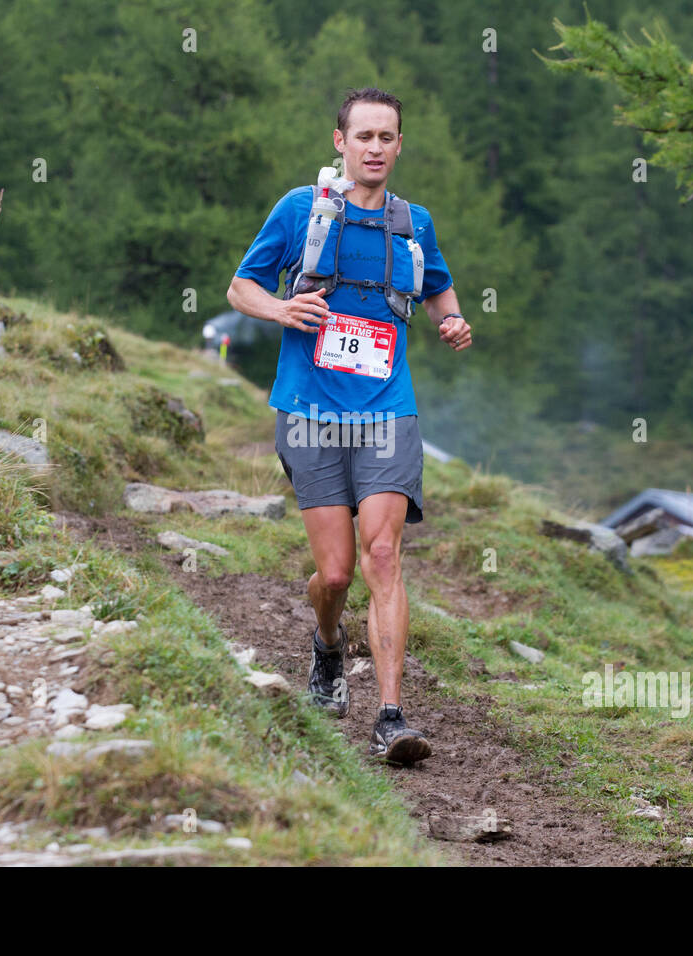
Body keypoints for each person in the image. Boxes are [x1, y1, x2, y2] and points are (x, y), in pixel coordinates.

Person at [226, 87, 472, 764]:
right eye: (362, 136)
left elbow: (438, 286)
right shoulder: (301, 210)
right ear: (341, 142)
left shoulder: (412, 222)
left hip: (389, 411)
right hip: (308, 411)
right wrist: (280, 311)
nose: (374, 148)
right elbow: (240, 286)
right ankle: (328, 646)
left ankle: (391, 715)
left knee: (383, 557)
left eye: (386, 138)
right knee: (333, 576)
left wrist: (449, 319)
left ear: (398, 146)